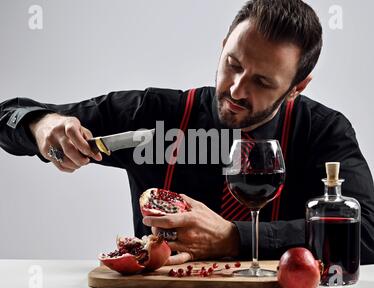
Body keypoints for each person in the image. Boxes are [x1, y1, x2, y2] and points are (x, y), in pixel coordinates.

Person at [1, 0, 374, 265]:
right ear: (223, 44)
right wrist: (42, 124)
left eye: (262, 81)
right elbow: (8, 115)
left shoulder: (325, 133)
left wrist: (237, 238)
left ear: (297, 87)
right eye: (233, 63)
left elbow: (368, 230)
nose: (237, 89)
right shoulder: (156, 114)